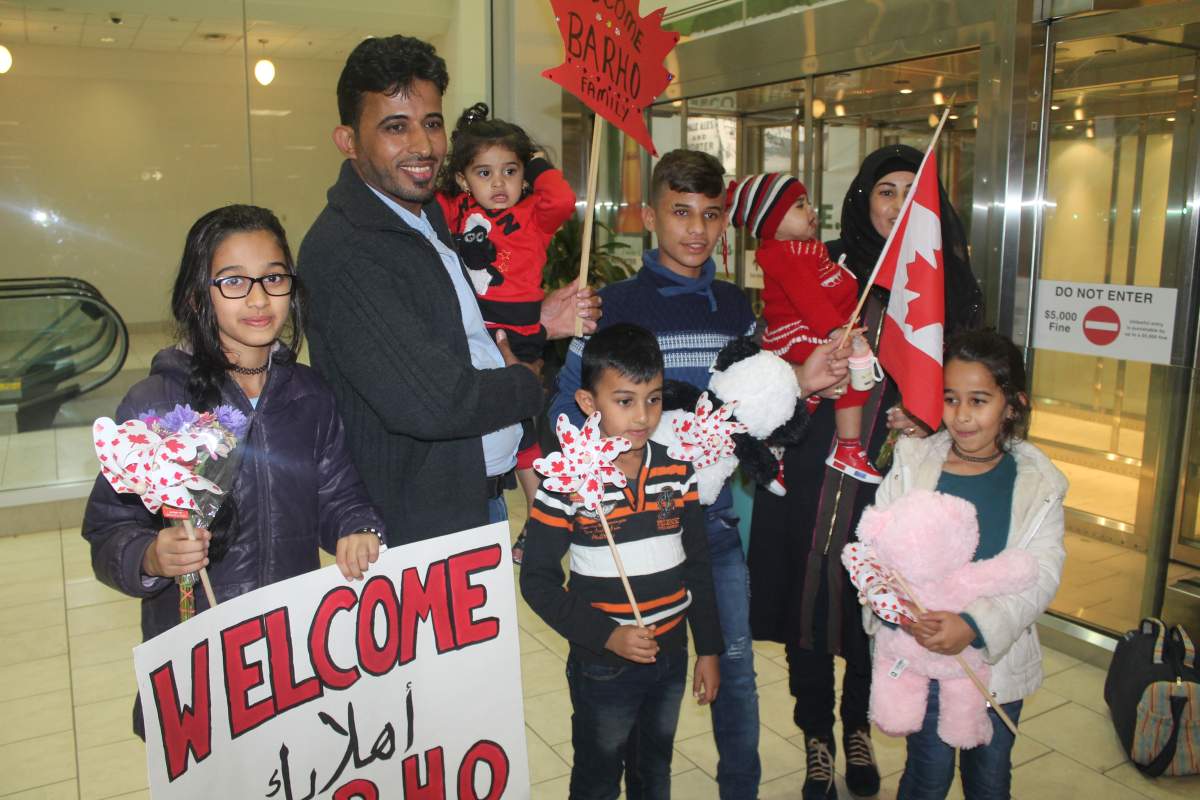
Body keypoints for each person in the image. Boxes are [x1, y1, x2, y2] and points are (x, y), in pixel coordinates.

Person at [550, 149, 851, 799]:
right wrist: (606, 474)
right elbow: (563, 416)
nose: (696, 229)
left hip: (709, 527)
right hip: (628, 536)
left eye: (711, 214)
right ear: (650, 214)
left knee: (735, 672)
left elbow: (750, 413)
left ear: (726, 223)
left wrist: (802, 380)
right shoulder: (610, 308)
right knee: (621, 687)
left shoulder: (737, 309)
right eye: (680, 211)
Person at [81, 205, 386, 737]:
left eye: (273, 277)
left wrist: (357, 528)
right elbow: (108, 530)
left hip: (288, 647)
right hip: (195, 658)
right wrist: (151, 555)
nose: (259, 297)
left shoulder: (310, 396)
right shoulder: (157, 405)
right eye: (234, 281)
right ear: (199, 295)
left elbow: (340, 494)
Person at [747, 144, 983, 800]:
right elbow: (764, 354)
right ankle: (816, 736)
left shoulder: (948, 283)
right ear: (863, 199)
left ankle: (857, 725)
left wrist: (933, 417)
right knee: (805, 599)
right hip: (812, 461)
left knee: (870, 602)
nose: (899, 203)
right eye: (887, 189)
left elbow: (973, 383)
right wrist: (800, 376)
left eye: (914, 190)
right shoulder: (823, 262)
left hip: (895, 476)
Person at [297, 35, 599, 546]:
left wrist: (538, 321)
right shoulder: (349, 250)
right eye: (396, 127)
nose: (423, 145)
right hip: (415, 529)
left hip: (474, 500)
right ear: (348, 140)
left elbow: (455, 328)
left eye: (431, 123)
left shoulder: (429, 214)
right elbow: (435, 402)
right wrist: (526, 380)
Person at [521, 324, 722, 799]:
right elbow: (538, 581)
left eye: (653, 399)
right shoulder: (567, 481)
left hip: (670, 655)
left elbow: (697, 564)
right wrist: (607, 635)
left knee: (654, 774)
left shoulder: (677, 468)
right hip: (601, 664)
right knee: (597, 779)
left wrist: (708, 648)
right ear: (590, 404)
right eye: (625, 401)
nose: (643, 416)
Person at [867, 328, 1067, 799]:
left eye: (979, 400)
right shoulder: (915, 462)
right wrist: (898, 612)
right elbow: (876, 551)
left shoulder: (1038, 482)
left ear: (1012, 404)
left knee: (990, 778)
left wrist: (975, 624)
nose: (961, 416)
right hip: (924, 652)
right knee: (927, 776)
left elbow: (1040, 574)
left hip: (998, 665)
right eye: (950, 399)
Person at [435, 101, 576, 563]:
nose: (499, 184)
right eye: (484, 173)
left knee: (526, 435)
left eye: (510, 171)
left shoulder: (535, 214)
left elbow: (562, 198)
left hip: (519, 335)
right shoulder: (455, 210)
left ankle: (538, 521)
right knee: (491, 433)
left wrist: (534, 157)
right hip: (474, 337)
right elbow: (425, 196)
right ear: (463, 179)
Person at [728, 172, 881, 486]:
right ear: (770, 222)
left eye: (808, 203)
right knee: (838, 376)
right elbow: (808, 299)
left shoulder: (809, 250)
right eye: (799, 205)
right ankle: (844, 447)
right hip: (798, 332)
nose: (811, 211)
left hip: (817, 329)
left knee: (830, 384)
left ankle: (780, 447)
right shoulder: (784, 255)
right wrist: (835, 331)